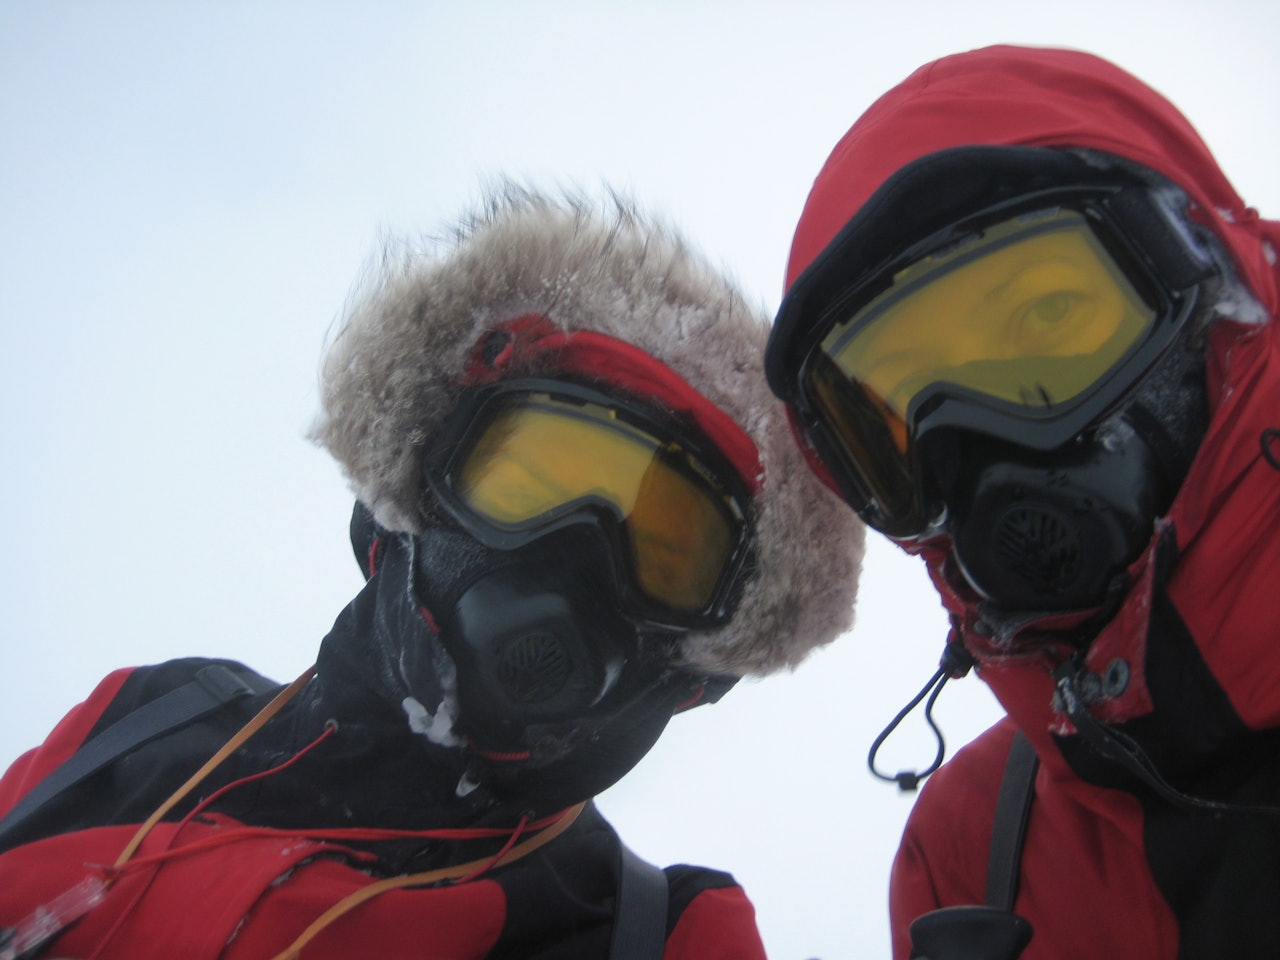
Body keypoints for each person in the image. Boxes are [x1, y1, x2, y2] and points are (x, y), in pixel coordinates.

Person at [0, 186, 863, 960]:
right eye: (534, 478)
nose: (577, 554)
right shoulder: (146, 721)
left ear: (696, 665)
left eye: (669, 550)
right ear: (416, 487)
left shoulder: (655, 936)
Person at [764, 45, 1280, 959]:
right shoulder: (970, 854)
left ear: (1202, 286)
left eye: (1048, 318)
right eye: (913, 409)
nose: (1001, 438)